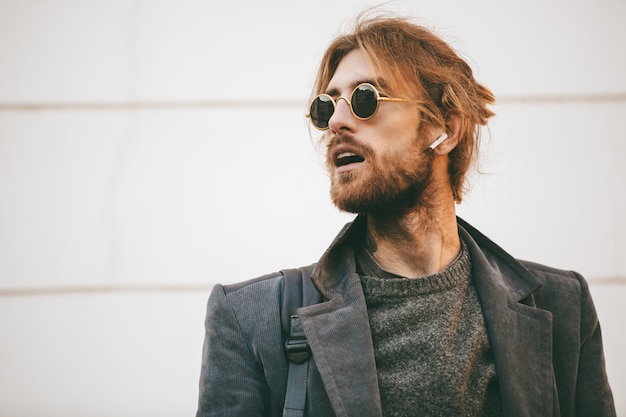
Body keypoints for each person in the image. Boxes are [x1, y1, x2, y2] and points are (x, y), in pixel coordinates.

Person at [196, 14, 616, 417]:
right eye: (327, 107)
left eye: (366, 99)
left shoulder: (563, 307)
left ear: (445, 130)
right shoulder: (250, 319)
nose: (337, 122)